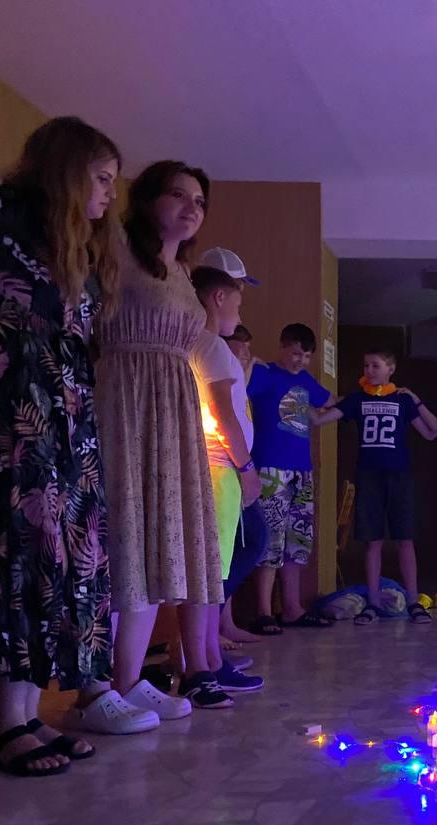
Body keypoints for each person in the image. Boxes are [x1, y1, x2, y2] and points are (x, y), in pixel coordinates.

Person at [0, 118, 155, 775]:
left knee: (60, 556)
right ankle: (5, 726)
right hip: (13, 407)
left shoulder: (80, 246)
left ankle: (27, 716)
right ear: (68, 172)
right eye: (101, 178)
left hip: (69, 415)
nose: (109, 193)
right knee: (16, 550)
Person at [86, 159, 228, 715]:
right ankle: (97, 687)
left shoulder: (183, 272)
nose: (193, 208)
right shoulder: (115, 246)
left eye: (200, 201)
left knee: (155, 540)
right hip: (125, 395)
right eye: (178, 195)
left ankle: (127, 682)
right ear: (147, 201)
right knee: (123, 533)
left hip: (172, 404)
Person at [312, 349, 437, 624]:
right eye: (366, 365)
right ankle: (372, 602)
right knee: (372, 542)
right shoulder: (357, 399)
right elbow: (321, 419)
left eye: (375, 365)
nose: (369, 370)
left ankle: (413, 601)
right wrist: (301, 398)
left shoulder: (402, 400)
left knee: (405, 539)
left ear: (390, 368)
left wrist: (417, 400)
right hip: (369, 476)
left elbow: (430, 432)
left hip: (399, 477)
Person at [188, 263, 267, 694]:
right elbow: (222, 414)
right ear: (219, 297)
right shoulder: (213, 347)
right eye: (237, 299)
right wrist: (246, 468)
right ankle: (206, 663)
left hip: (213, 467)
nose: (240, 310)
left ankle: (207, 657)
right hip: (220, 468)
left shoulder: (196, 344)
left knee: (212, 571)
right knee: (211, 573)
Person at [246, 323, 335, 632]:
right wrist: (248, 363)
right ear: (283, 347)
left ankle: (292, 608)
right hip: (270, 467)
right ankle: (263, 611)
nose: (301, 361)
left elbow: (328, 401)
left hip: (302, 470)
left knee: (297, 541)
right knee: (270, 540)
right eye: (296, 353)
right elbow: (238, 392)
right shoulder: (265, 373)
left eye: (307, 356)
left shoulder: (305, 380)